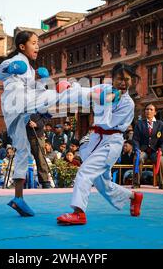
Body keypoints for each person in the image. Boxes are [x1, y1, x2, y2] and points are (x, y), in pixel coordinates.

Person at [0, 30, 88, 217]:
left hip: (18, 110)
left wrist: (40, 81)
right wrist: (10, 68)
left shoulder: (29, 68)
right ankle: (82, 91)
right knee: (53, 95)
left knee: (23, 151)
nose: (38, 46)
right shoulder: (18, 61)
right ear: (22, 46)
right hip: (16, 102)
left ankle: (18, 198)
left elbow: (30, 89)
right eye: (34, 43)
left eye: (38, 43)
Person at [57, 63, 143, 225]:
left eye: (126, 79)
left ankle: (79, 212)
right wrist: (71, 88)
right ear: (113, 79)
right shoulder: (104, 88)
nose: (123, 83)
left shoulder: (128, 103)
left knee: (85, 172)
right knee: (102, 184)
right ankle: (134, 197)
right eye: (119, 79)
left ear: (132, 81)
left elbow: (108, 123)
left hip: (112, 143)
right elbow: (86, 92)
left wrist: (104, 100)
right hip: (96, 140)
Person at [133, 104, 163, 189]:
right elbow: (135, 139)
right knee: (138, 158)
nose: (148, 111)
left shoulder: (161, 125)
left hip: (155, 151)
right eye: (147, 109)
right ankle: (136, 183)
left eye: (151, 109)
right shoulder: (139, 124)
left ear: (155, 112)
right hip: (143, 150)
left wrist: (161, 150)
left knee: (161, 160)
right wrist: (137, 149)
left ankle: (162, 183)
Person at [27, 113, 52, 189]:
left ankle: (45, 181)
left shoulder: (39, 103)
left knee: (40, 159)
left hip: (37, 136)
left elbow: (47, 116)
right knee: (19, 159)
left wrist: (37, 124)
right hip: (23, 135)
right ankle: (18, 180)